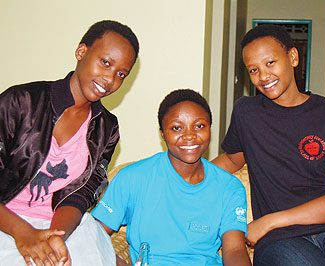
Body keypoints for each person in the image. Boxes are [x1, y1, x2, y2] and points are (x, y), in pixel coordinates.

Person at [212, 24, 325, 266]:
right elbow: (232, 159)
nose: (263, 76)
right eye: (254, 69)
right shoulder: (247, 113)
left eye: (270, 63)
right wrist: (178, 176)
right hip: (280, 241)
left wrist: (269, 221)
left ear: (292, 57)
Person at [0, 20, 139, 266]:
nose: (110, 80)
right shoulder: (20, 102)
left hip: (61, 227)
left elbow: (81, 193)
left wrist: (56, 237)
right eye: (105, 62)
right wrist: (24, 234)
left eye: (121, 74)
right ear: (81, 52)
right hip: (6, 222)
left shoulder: (107, 127)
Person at [92, 89, 251, 266]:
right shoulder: (133, 178)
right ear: (163, 134)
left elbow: (235, 250)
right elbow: (92, 235)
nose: (189, 136)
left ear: (210, 129)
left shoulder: (229, 187)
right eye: (177, 128)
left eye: (199, 126)